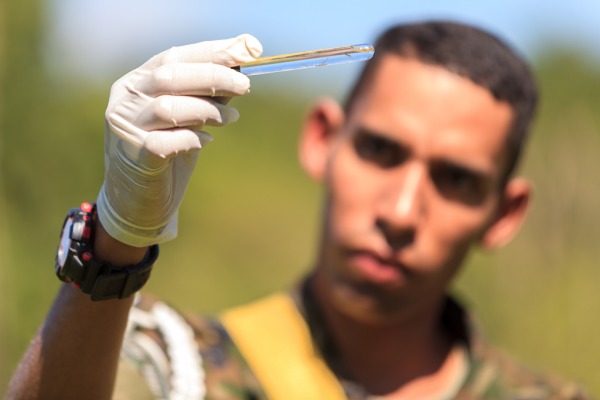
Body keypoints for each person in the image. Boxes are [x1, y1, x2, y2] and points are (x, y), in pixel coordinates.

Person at [7, 20, 589, 400]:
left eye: (456, 180)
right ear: (321, 141)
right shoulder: (170, 366)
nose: (403, 211)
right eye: (380, 151)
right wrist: (117, 238)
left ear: (506, 214)